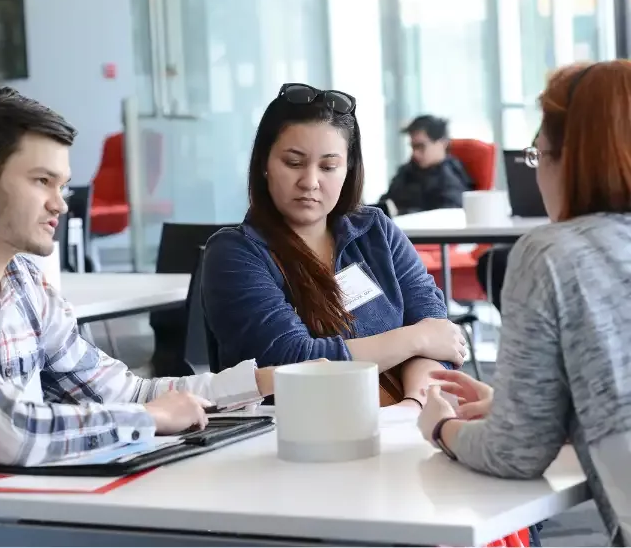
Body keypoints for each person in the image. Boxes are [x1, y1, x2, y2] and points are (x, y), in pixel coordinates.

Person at [0, 85, 287, 547]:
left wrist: (265, 383)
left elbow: (128, 391)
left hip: (0, 519)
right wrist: (147, 419)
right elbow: (12, 432)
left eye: (62, 184)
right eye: (41, 181)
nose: (61, 203)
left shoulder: (25, 284)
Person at [417, 60, 631, 545]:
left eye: (539, 155)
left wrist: (442, 428)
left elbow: (514, 453)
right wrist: (525, 408)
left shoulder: (553, 253)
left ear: (570, 159)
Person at [202, 82, 467, 407]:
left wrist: (411, 408)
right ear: (264, 164)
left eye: (328, 166)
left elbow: (437, 330)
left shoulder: (375, 231)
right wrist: (414, 338)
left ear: (348, 170)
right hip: (295, 440)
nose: (310, 182)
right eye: (294, 163)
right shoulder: (235, 254)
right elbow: (296, 362)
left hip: (403, 423)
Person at [374, 114, 474, 217]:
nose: (415, 153)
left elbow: (447, 214)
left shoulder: (451, 176)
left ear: (442, 143)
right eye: (413, 147)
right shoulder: (407, 170)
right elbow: (386, 202)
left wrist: (400, 213)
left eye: (421, 147)